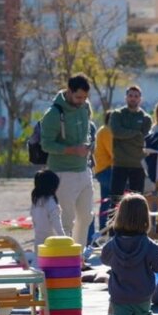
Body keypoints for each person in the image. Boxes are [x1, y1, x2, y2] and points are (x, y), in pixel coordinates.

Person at [102, 193, 158, 315]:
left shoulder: (112, 245)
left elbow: (104, 260)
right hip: (142, 294)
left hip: (119, 295)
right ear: (145, 218)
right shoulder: (149, 245)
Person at [41, 74, 96, 254]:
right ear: (69, 92)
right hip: (62, 173)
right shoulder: (53, 114)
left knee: (86, 216)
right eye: (78, 97)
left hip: (84, 170)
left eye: (85, 98)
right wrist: (73, 150)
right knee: (66, 219)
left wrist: (90, 145)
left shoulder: (85, 107)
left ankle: (78, 257)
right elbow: (46, 144)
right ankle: (61, 257)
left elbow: (88, 131)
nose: (82, 101)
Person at [108, 85, 151, 204]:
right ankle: (114, 223)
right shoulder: (117, 114)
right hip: (119, 164)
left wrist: (126, 134)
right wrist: (136, 133)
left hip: (138, 165)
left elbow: (143, 140)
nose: (133, 98)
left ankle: (135, 223)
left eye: (136, 96)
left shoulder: (146, 118)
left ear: (140, 99)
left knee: (137, 202)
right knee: (115, 201)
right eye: (130, 95)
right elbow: (116, 132)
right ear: (126, 97)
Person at [30, 170, 64, 252]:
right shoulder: (51, 203)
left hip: (38, 241)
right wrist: (64, 238)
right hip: (51, 242)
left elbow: (34, 222)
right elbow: (57, 224)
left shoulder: (36, 202)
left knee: (38, 261)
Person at [92, 111, 113, 232]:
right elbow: (114, 152)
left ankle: (103, 229)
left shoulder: (103, 130)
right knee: (115, 198)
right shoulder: (106, 131)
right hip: (107, 170)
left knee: (106, 200)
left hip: (102, 169)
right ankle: (107, 228)